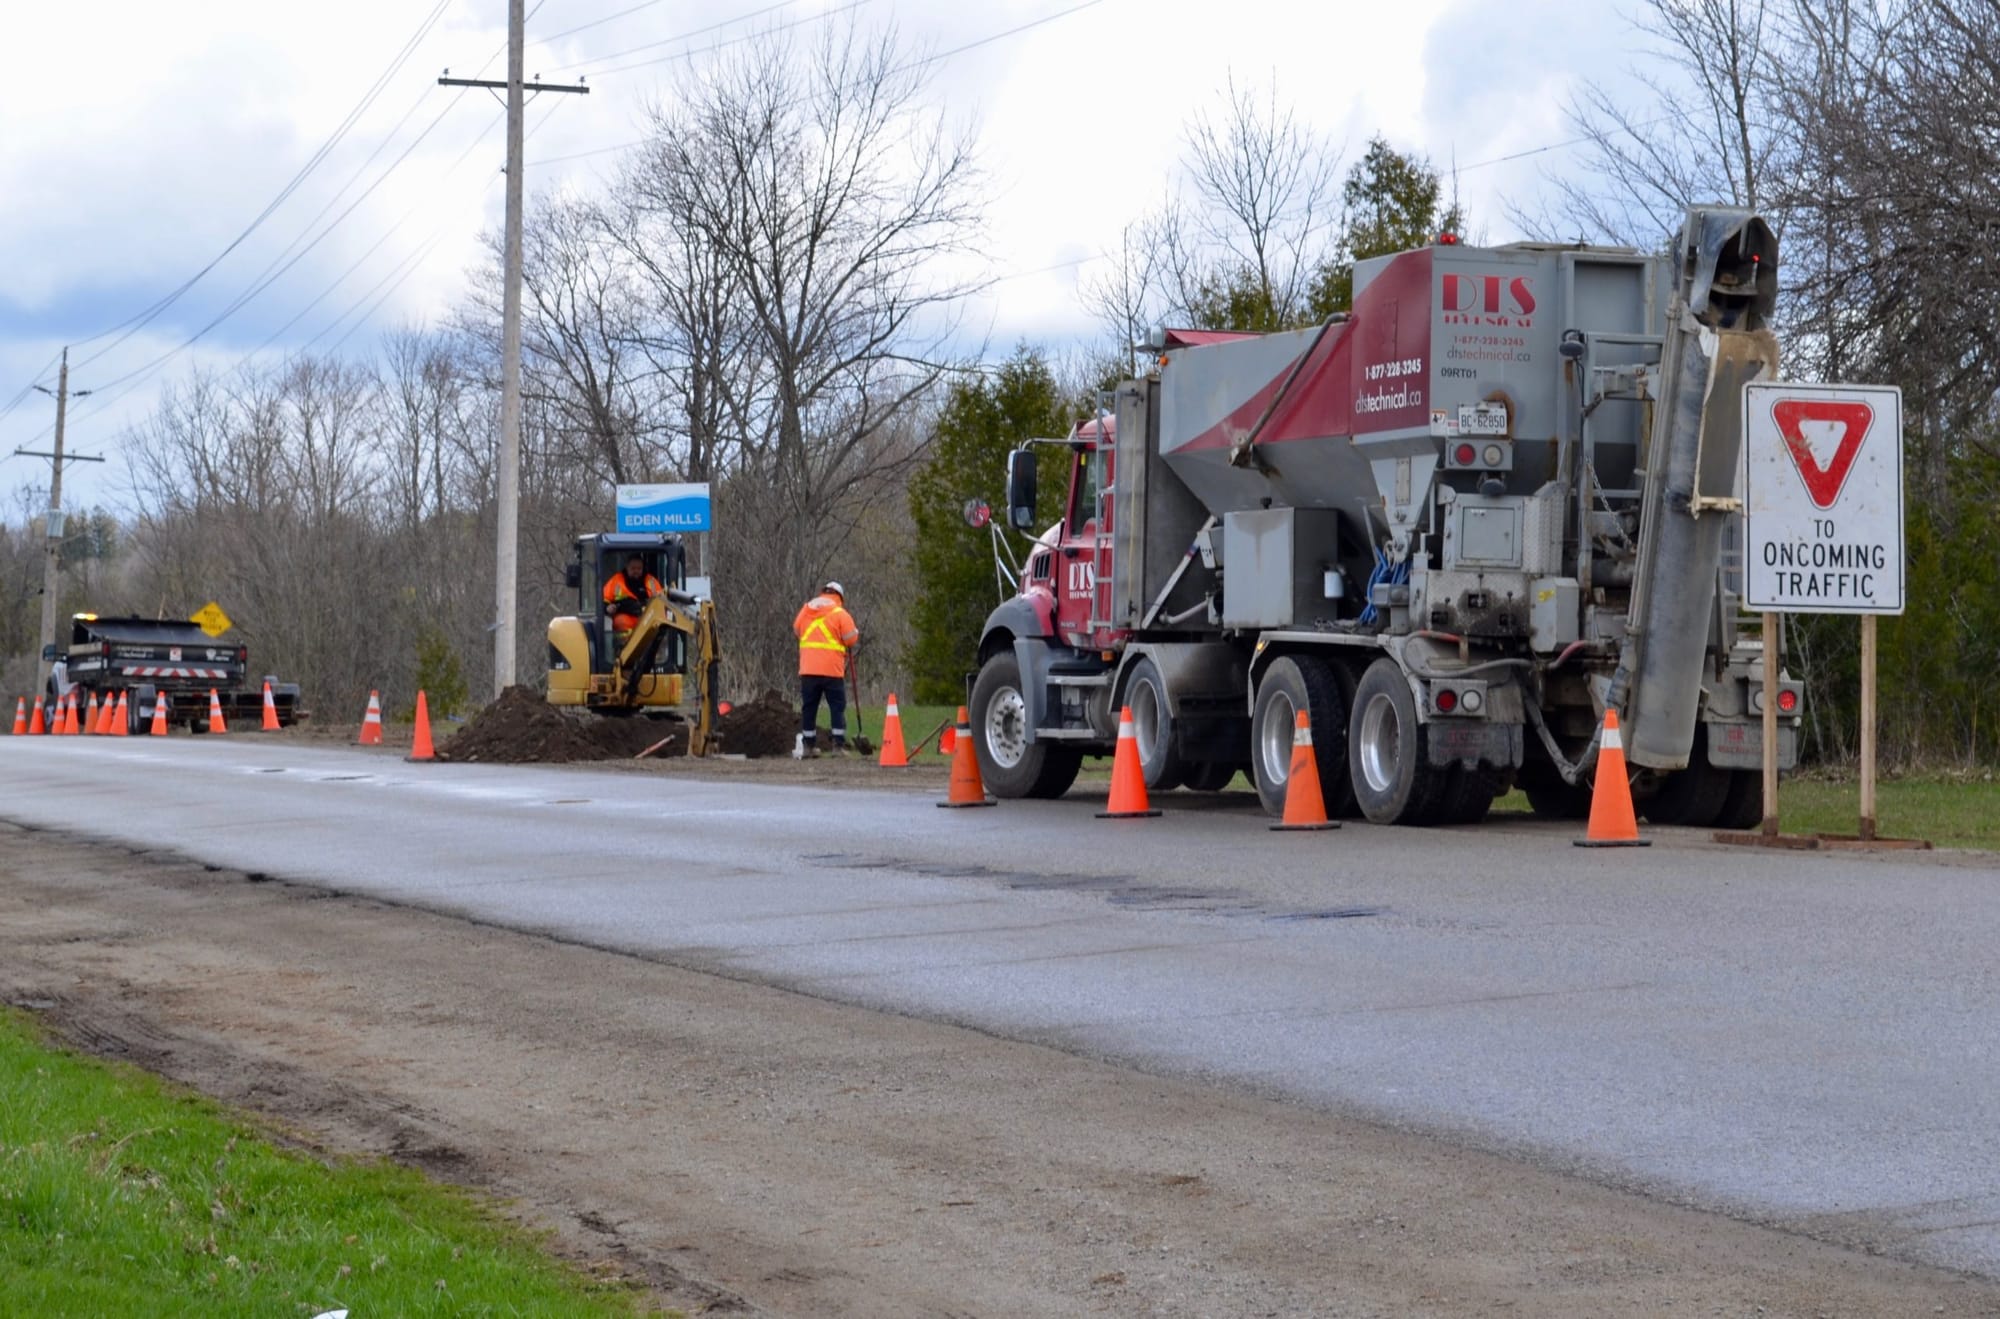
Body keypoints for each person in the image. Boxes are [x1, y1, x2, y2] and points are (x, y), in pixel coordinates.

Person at [793, 581, 859, 758]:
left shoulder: (807, 608)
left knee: (809, 708)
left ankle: (808, 747)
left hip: (808, 669)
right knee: (837, 707)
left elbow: (797, 629)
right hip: (831, 670)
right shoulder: (839, 613)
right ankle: (837, 746)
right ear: (839, 596)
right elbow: (851, 639)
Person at [603, 552, 663, 637]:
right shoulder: (616, 581)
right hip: (626, 619)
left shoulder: (651, 581)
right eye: (633, 568)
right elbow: (603, 600)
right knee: (620, 621)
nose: (636, 571)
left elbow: (662, 599)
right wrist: (607, 607)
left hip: (648, 619)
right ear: (627, 567)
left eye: (639, 568)